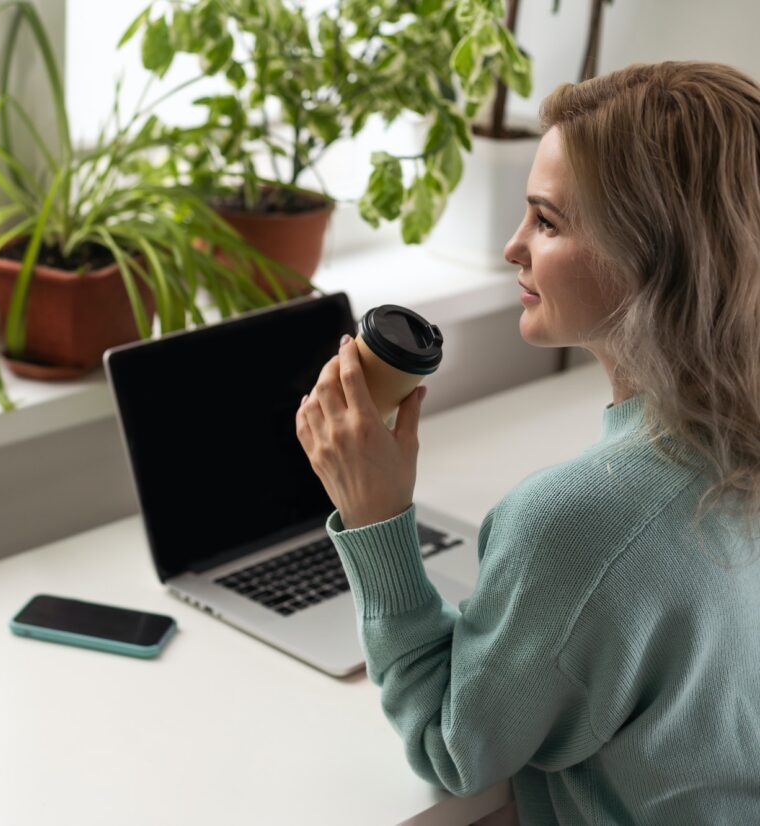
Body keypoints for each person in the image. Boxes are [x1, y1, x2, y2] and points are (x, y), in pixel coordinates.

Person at [295, 61, 760, 825]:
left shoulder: (576, 520)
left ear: (649, 256)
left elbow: (455, 749)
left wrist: (378, 521)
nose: (514, 248)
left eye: (547, 222)